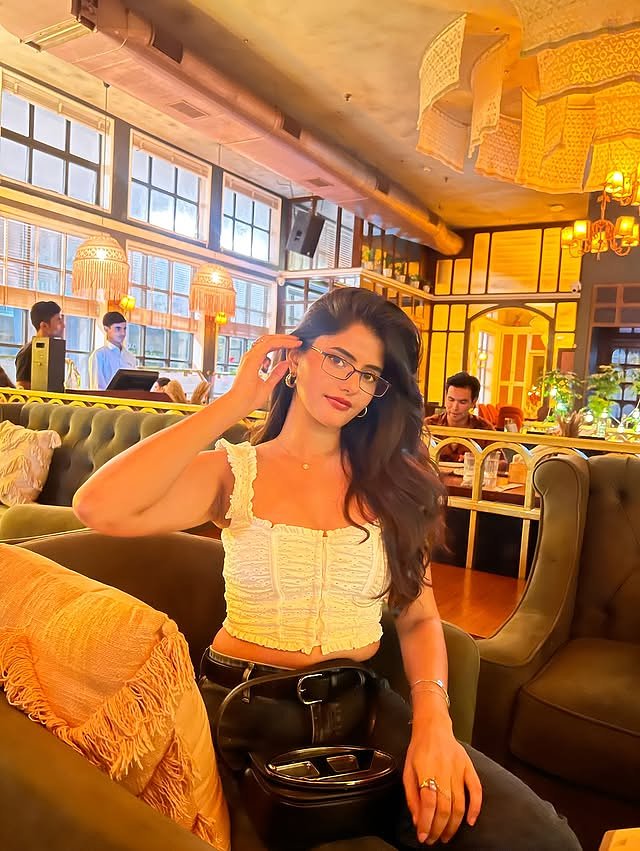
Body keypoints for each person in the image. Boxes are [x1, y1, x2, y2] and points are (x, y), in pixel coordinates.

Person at [73, 289, 580, 850]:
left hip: (361, 708)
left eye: (369, 375)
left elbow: (419, 617)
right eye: (338, 359)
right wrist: (234, 403)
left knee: (535, 837)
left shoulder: (396, 485)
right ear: (294, 358)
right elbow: (99, 507)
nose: (350, 384)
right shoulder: (235, 473)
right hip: (245, 712)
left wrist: (435, 722)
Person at [425, 372, 496, 463]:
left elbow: (501, 462)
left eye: (462, 402)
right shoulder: (429, 425)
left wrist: (477, 461)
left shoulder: (484, 428)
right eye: (451, 400)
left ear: (473, 402)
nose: (455, 407)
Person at [15, 301, 65, 390]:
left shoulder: (55, 350)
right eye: (58, 320)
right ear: (44, 325)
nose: (63, 325)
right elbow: (22, 388)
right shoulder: (27, 352)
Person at [88, 311, 137, 390]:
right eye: (118, 328)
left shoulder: (131, 357)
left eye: (124, 329)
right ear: (106, 328)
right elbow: (97, 388)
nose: (123, 333)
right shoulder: (99, 355)